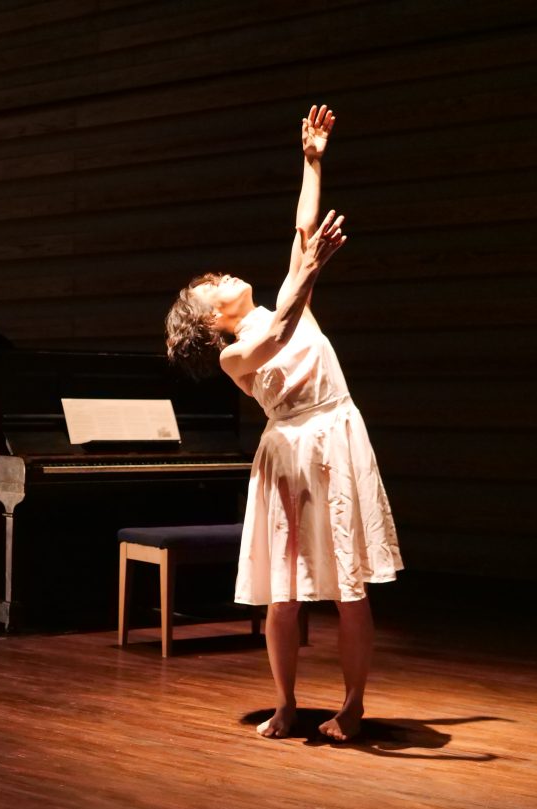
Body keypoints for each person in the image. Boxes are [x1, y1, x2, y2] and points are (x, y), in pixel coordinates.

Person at [163, 105, 402, 741]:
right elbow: (284, 323)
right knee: (284, 591)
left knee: (350, 586)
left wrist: (312, 161)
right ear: (211, 320)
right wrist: (310, 265)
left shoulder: (284, 301)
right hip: (288, 455)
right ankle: (287, 703)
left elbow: (302, 233)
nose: (223, 277)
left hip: (336, 435)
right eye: (212, 285)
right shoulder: (235, 354)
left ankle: (352, 705)